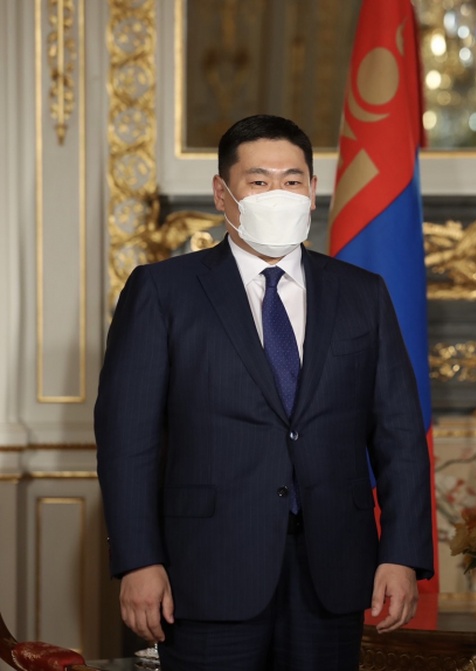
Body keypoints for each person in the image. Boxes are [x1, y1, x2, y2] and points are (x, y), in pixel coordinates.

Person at [95, 114, 434, 671]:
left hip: (333, 573)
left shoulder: (362, 294)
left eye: (292, 179)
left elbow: (398, 434)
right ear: (222, 194)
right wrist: (138, 560)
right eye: (258, 181)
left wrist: (401, 553)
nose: (278, 193)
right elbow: (128, 441)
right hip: (204, 573)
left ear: (314, 190)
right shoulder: (162, 292)